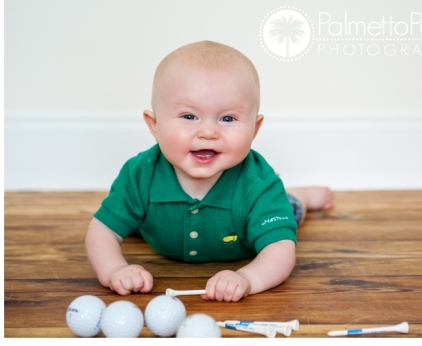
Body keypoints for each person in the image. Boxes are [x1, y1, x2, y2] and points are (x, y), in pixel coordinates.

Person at [85, 41, 335, 302]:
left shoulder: (259, 186)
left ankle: (299, 196)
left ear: (254, 128)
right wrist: (114, 269)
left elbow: (280, 249)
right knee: (131, 217)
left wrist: (248, 278)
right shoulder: (140, 175)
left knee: (288, 208)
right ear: (154, 125)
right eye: (189, 116)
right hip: (159, 225)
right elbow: (103, 231)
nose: (208, 133)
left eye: (227, 118)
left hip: (251, 225)